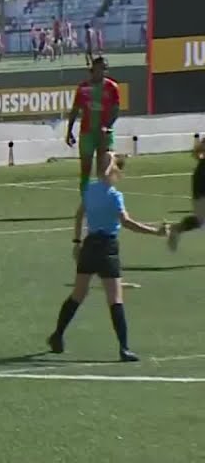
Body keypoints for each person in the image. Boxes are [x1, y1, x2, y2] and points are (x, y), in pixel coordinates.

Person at [47, 154, 167, 362]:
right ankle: (124, 348)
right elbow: (127, 223)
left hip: (89, 246)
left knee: (78, 294)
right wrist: (156, 232)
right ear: (115, 171)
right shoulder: (114, 196)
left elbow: (79, 214)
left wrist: (76, 242)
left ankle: (57, 335)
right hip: (107, 248)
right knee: (115, 299)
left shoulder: (90, 190)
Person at [65, 57, 120, 193]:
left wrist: (107, 126)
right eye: (101, 68)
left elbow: (115, 110)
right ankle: (85, 204)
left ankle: (103, 201)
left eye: (105, 68)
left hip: (104, 133)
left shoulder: (112, 87)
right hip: (87, 134)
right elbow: (75, 110)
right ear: (94, 68)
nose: (104, 71)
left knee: (104, 170)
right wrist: (69, 131)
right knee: (85, 171)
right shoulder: (83, 88)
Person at [168, 137, 205, 251]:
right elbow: (197, 151)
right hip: (201, 191)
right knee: (201, 220)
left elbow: (196, 152)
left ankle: (177, 229)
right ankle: (177, 229)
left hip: (199, 190)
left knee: (200, 221)